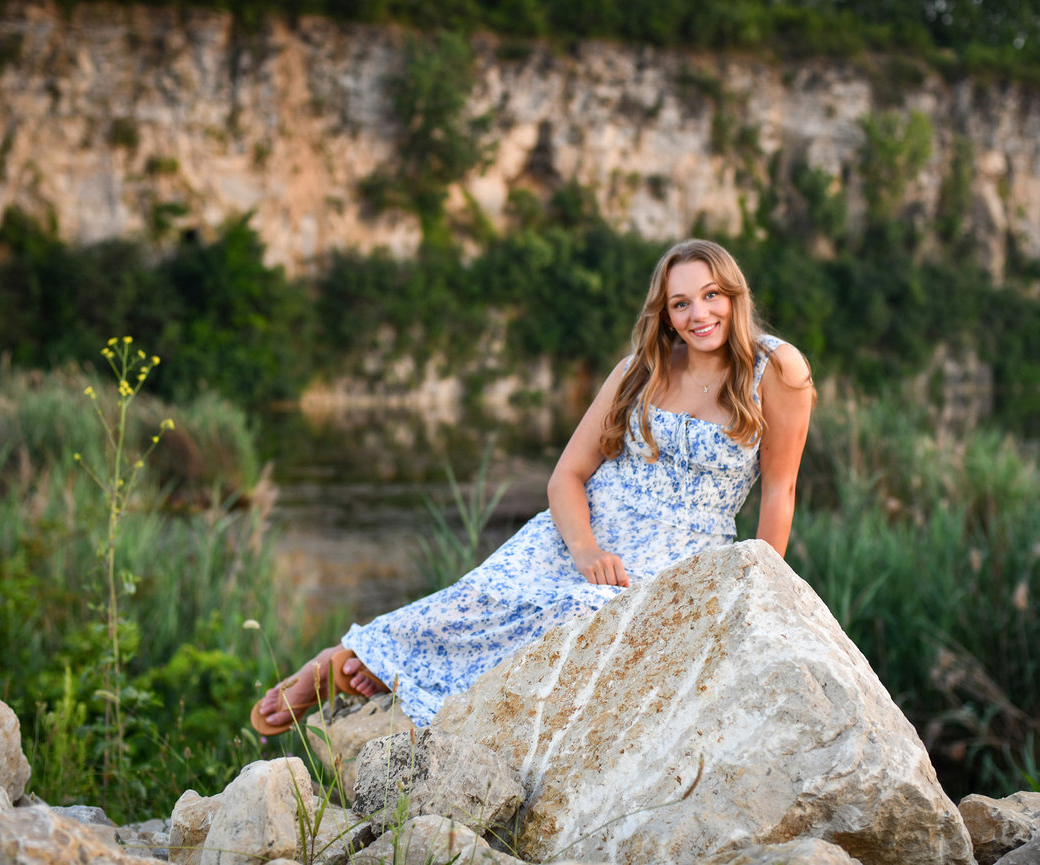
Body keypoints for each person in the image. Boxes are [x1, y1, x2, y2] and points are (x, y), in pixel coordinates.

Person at [251, 238, 815, 734]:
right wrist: (585, 548)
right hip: (587, 530)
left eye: (711, 295)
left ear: (734, 297)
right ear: (665, 315)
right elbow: (567, 476)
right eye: (681, 302)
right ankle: (348, 659)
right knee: (481, 596)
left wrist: (759, 595)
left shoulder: (778, 370)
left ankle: (394, 674)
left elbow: (779, 492)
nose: (699, 313)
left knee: (578, 613)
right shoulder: (638, 372)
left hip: (681, 554)